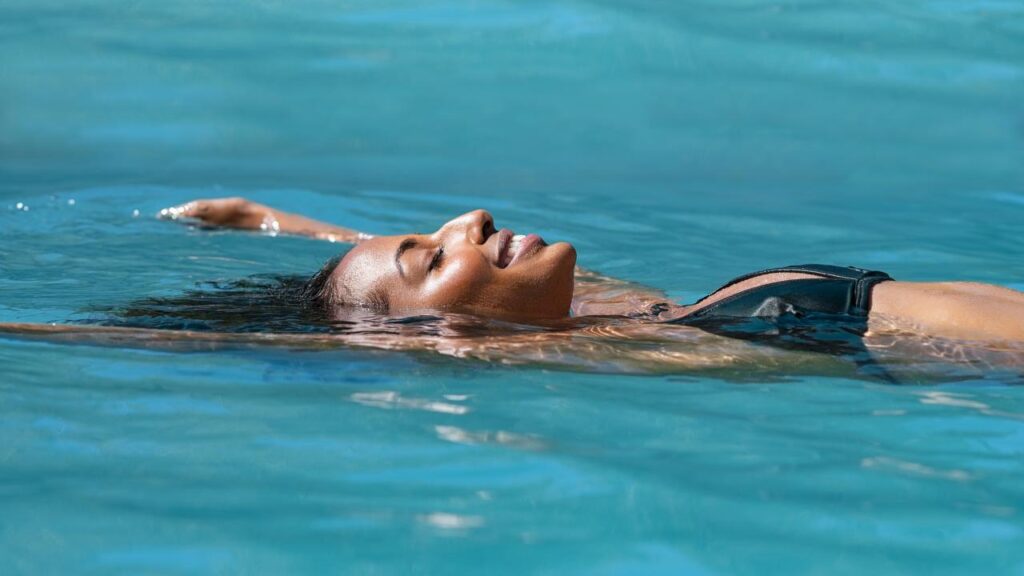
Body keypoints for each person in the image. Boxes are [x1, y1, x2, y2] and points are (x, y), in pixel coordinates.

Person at [156, 197, 1024, 343]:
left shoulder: (599, 305)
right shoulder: (525, 344)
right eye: (434, 252)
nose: (472, 221)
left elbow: (363, 265)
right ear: (437, 332)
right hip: (930, 342)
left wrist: (263, 219)